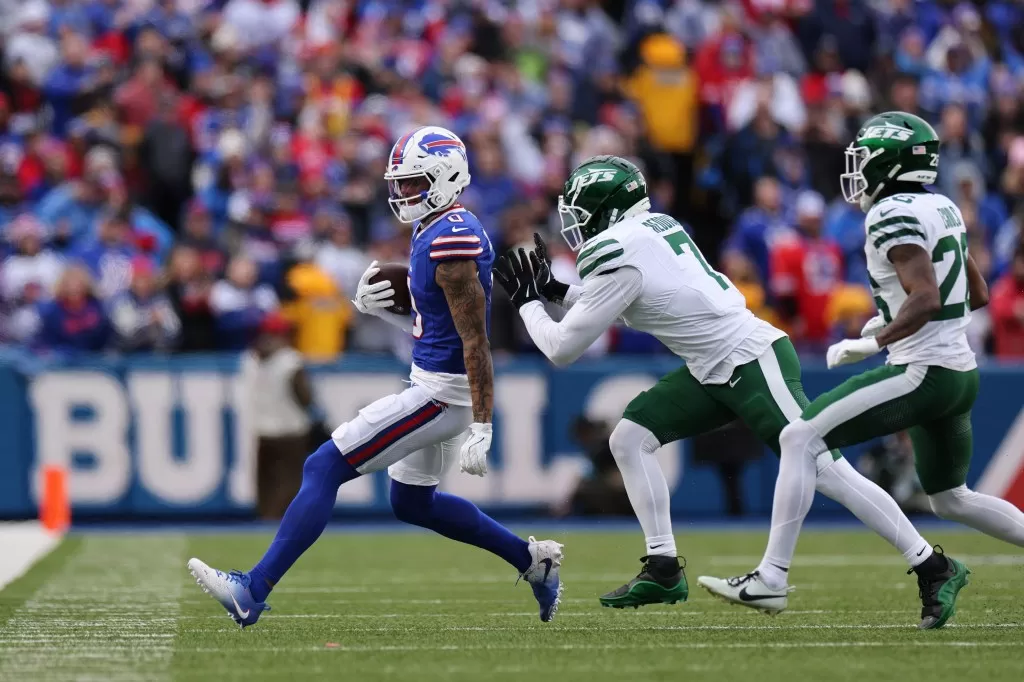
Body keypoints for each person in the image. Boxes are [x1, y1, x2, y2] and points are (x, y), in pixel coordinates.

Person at [494, 155, 952, 625]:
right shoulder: (652, 228)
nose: (576, 226)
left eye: (582, 213)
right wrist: (554, 290)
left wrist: (528, 302)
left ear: (606, 210)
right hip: (712, 365)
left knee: (826, 470)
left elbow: (562, 348)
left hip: (750, 359)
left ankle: (932, 565)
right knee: (629, 438)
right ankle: (664, 566)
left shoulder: (618, 250)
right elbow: (633, 300)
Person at [187, 126, 563, 628]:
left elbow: (475, 339)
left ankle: (253, 590)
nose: (403, 193)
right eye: (401, 183)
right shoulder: (434, 225)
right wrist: (387, 310)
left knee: (324, 466)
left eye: (413, 182)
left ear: (446, 177)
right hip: (435, 384)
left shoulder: (453, 242)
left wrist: (483, 423)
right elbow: (437, 325)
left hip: (442, 395)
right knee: (412, 502)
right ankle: (531, 561)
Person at [701, 111, 1024, 629]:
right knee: (950, 498)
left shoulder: (889, 213)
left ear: (892, 163)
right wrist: (895, 317)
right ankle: (936, 572)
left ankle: (771, 579)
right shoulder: (941, 205)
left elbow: (926, 295)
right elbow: (976, 294)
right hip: (960, 372)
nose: (859, 169)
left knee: (798, 437)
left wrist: (875, 337)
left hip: (922, 372)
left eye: (868, 158)